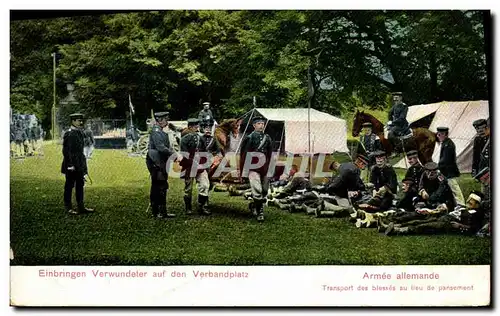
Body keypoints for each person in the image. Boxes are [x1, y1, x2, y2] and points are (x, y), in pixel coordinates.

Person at [384, 191, 485, 236]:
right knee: (418, 220)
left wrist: (459, 226)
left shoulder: (476, 214)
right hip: (444, 217)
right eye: (469, 199)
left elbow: (474, 228)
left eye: (472, 201)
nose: (469, 201)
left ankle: (398, 230)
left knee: (424, 225)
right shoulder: (464, 208)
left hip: (449, 223)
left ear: (477, 204)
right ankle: (390, 226)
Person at [239, 116, 274, 222]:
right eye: (259, 124)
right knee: (257, 190)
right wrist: (244, 172)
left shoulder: (267, 138)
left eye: (262, 124)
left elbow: (270, 154)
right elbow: (244, 155)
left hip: (264, 167)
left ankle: (254, 205)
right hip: (252, 167)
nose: (261, 125)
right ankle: (260, 213)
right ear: (254, 126)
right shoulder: (249, 138)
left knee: (264, 191)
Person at [61, 113, 94, 215]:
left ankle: (81, 207)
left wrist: (82, 166)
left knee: (80, 185)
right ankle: (68, 207)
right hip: (71, 165)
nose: (81, 122)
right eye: (78, 121)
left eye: (81, 121)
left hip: (79, 164)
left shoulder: (79, 132)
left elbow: (79, 151)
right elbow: (67, 152)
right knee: (69, 185)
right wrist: (71, 165)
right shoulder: (69, 134)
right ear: (73, 121)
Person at [146, 111, 177, 219]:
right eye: (165, 119)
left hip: (160, 161)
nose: (167, 122)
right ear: (159, 120)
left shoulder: (160, 131)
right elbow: (160, 147)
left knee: (162, 185)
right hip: (155, 161)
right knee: (158, 186)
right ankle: (157, 211)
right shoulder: (156, 131)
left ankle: (162, 211)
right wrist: (173, 154)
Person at [180, 118, 212, 216]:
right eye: (195, 126)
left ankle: (201, 206)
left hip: (201, 165)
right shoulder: (184, 140)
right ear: (190, 127)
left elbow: (204, 152)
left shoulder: (200, 138)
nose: (197, 128)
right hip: (189, 166)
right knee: (188, 189)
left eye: (197, 126)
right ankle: (188, 208)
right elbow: (184, 154)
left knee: (205, 185)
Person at [432, 126, 465, 206]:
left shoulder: (448, 145)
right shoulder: (446, 143)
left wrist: (438, 167)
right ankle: (454, 203)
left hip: (449, 171)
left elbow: (445, 160)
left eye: (440, 135)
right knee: (449, 187)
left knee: (454, 187)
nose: (438, 136)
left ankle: (461, 204)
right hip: (446, 170)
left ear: (445, 134)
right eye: (438, 134)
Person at [471, 119, 490, 201]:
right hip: (483, 170)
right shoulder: (477, 140)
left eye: (482, 130)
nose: (480, 133)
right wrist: (474, 170)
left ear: (487, 127)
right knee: (485, 190)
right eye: (478, 131)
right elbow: (476, 157)